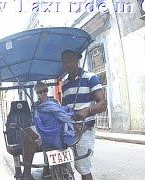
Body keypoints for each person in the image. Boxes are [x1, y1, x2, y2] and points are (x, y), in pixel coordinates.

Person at [61, 49, 107, 180]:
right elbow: (65, 108)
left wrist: (87, 111)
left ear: (77, 59)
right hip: (69, 130)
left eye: (69, 60)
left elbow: (103, 104)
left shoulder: (90, 77)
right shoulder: (65, 84)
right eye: (64, 62)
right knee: (63, 165)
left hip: (84, 129)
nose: (66, 64)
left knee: (83, 168)